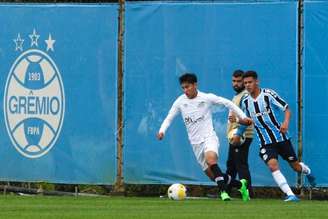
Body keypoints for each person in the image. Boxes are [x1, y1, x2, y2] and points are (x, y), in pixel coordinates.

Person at [157, 73, 253, 201]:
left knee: (211, 160)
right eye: (183, 88)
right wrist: (162, 130)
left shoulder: (206, 98)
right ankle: (241, 184)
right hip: (195, 144)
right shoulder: (180, 102)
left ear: (195, 85)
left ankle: (223, 192)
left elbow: (227, 103)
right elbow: (169, 117)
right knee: (212, 176)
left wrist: (242, 117)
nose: (185, 90)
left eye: (188, 87)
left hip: (209, 138)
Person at [239, 70, 316, 202]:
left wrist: (285, 123)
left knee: (295, 167)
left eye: (250, 82)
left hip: (281, 138)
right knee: (273, 165)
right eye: (245, 83)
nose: (247, 85)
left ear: (257, 81)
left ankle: (307, 171)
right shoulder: (245, 101)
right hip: (265, 142)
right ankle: (291, 194)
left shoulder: (268, 94)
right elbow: (246, 121)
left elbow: (286, 108)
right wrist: (238, 131)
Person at [226, 70, 254, 197]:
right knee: (231, 166)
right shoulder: (237, 95)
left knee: (241, 165)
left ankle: (248, 193)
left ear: (244, 82)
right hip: (234, 136)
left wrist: (238, 134)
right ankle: (225, 191)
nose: (236, 83)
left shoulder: (245, 95)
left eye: (239, 81)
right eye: (234, 81)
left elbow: (247, 116)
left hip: (241, 136)